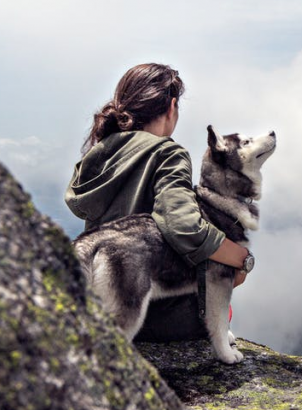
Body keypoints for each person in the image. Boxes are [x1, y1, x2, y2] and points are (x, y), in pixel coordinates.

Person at [64, 63, 250, 341]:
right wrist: (241, 258)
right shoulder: (167, 153)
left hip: (100, 305)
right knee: (222, 305)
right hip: (152, 314)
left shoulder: (99, 154)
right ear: (172, 106)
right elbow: (183, 225)